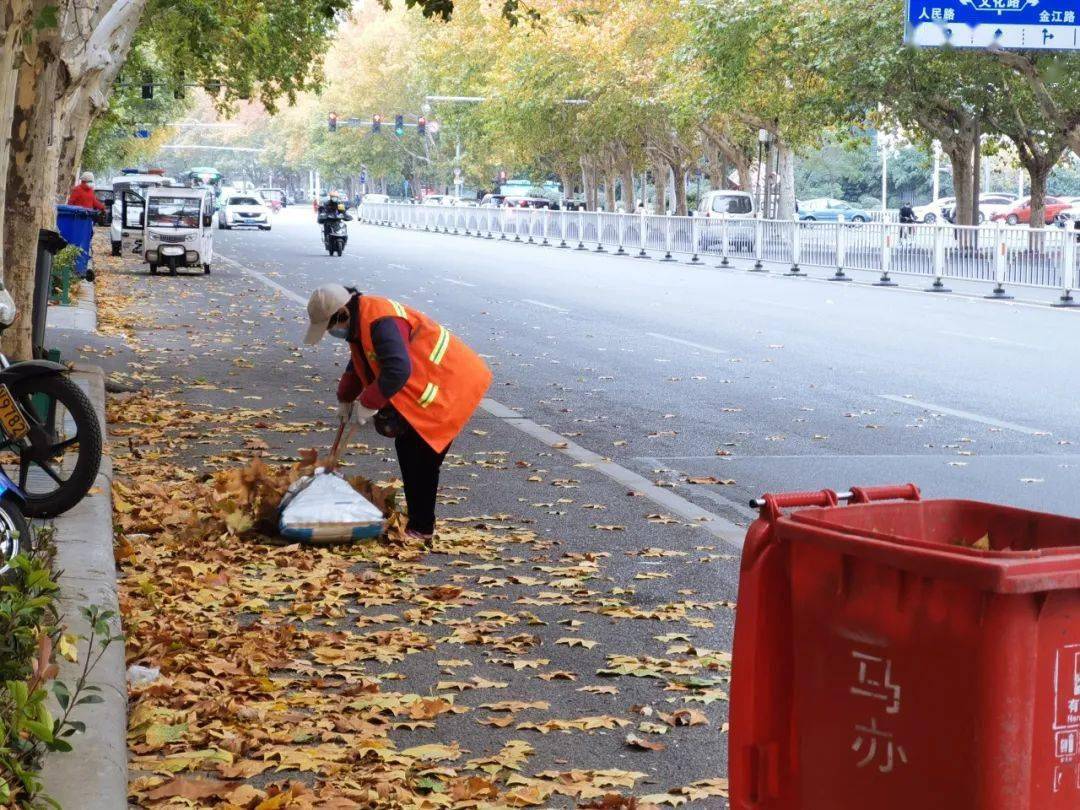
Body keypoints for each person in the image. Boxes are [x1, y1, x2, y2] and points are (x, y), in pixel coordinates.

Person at [304, 284, 492, 540]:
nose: (331, 333)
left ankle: (422, 528)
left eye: (329, 326)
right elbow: (361, 360)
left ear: (342, 314)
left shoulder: (382, 322)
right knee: (409, 449)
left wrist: (369, 403)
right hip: (425, 384)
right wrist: (345, 398)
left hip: (448, 383)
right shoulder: (360, 322)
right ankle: (418, 522)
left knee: (422, 457)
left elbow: (397, 369)